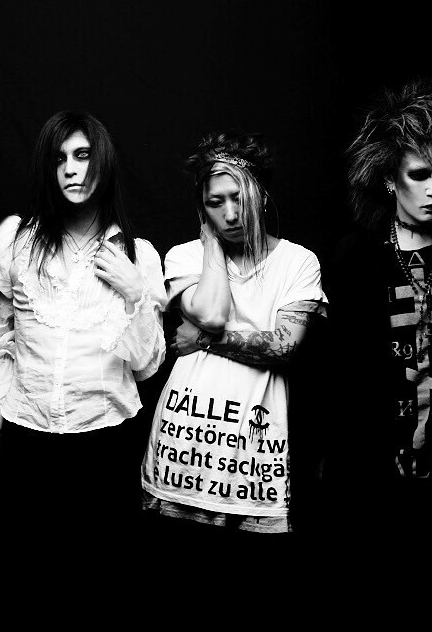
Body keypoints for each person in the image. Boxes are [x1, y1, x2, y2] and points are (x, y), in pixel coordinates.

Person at [321, 80, 432, 564]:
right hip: (371, 474)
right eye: (420, 175)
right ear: (388, 179)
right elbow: (339, 370)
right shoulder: (354, 257)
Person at [0, 111, 166, 550]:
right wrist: (0, 400)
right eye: (59, 158)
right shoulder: (16, 241)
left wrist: (136, 292)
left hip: (105, 441)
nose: (70, 169)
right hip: (26, 436)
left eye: (83, 155)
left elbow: (146, 365)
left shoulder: (138, 255)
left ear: (103, 162)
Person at [139, 130, 327, 545]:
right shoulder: (185, 255)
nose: (230, 214)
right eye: (215, 202)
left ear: (261, 195)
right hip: (185, 447)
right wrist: (210, 245)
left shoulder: (298, 261)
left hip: (258, 455)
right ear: (202, 209)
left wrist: (205, 341)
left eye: (239, 197)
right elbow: (213, 313)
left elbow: (284, 346)